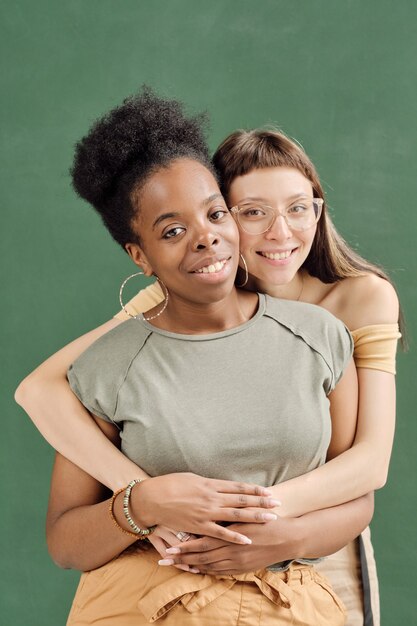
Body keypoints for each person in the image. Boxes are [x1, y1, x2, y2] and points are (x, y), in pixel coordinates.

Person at [15, 89, 382, 625]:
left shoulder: (321, 338)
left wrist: (279, 537)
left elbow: (357, 499)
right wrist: (141, 505)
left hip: (288, 608)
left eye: (215, 214)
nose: (206, 238)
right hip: (143, 608)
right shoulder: (109, 365)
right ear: (140, 256)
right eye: (173, 230)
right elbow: (66, 544)